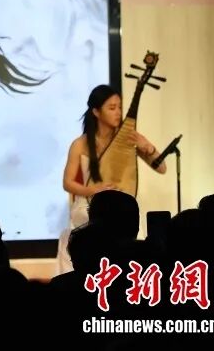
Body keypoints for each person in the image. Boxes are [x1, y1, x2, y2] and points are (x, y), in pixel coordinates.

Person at [55, 84, 166, 274]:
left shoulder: (127, 140)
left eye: (120, 107)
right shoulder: (81, 143)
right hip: (88, 206)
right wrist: (93, 190)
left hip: (121, 208)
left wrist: (147, 147)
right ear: (96, 112)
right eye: (112, 108)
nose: (118, 113)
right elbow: (68, 183)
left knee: (127, 221)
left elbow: (162, 168)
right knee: (89, 223)